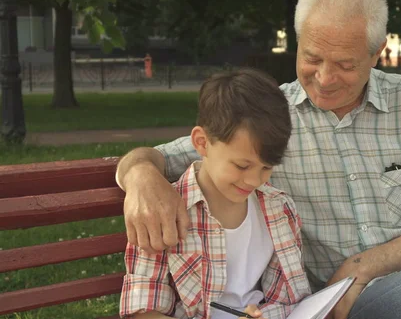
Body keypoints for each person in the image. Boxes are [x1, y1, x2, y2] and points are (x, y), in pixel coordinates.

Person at [115, 0, 401, 318]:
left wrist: (365, 266)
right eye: (312, 58)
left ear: (377, 53)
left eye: (345, 64)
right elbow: (170, 154)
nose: (325, 78)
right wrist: (140, 176)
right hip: (335, 308)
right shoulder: (269, 120)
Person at [119, 69, 311, 319]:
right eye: (242, 166)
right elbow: (143, 309)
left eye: (266, 167)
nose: (254, 180)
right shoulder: (162, 211)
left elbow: (288, 299)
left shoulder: (279, 209)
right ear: (201, 142)